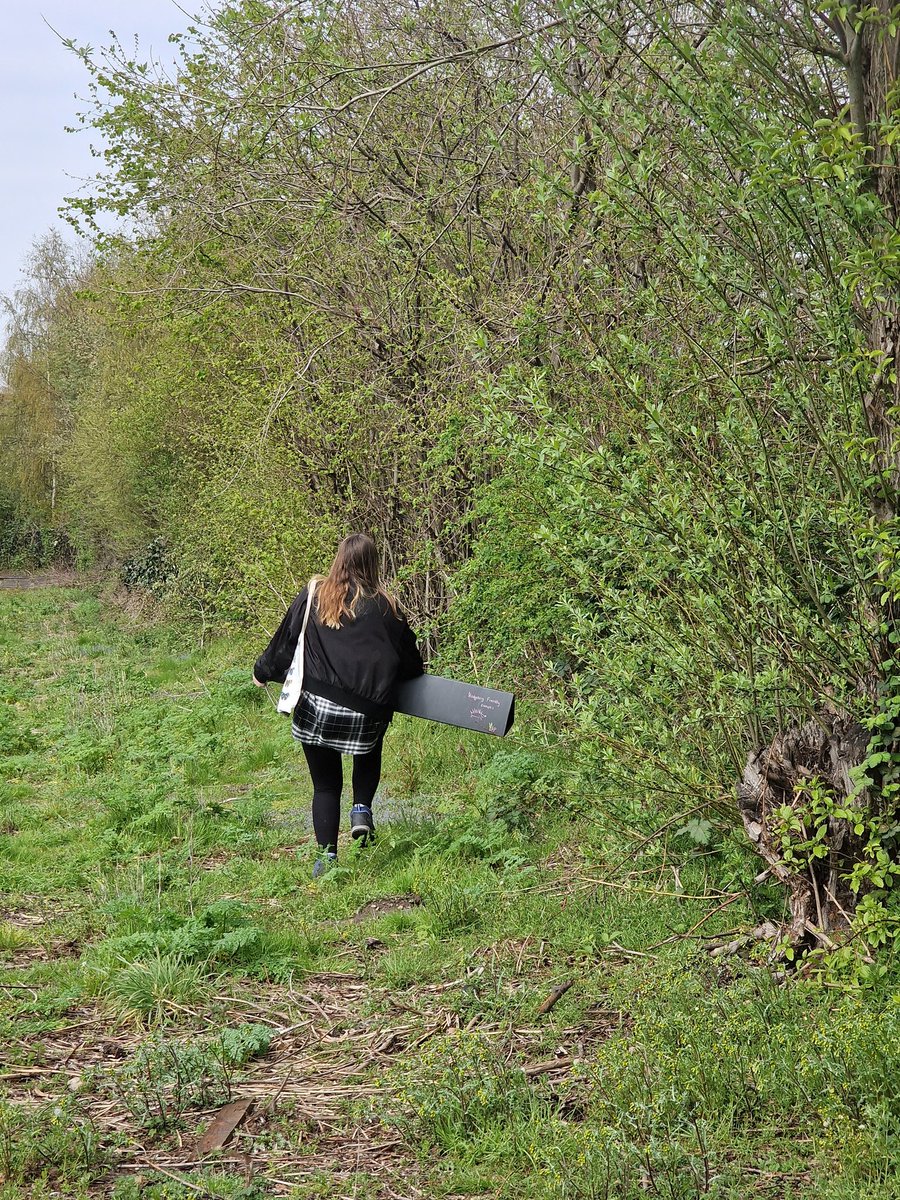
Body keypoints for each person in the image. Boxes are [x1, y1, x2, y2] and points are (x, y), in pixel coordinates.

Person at [252, 533, 424, 877]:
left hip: (316, 708)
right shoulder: (387, 607)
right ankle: (361, 809)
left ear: (338, 560)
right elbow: (411, 664)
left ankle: (327, 859)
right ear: (374, 564)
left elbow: (285, 643)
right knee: (370, 741)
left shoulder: (314, 595)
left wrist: (263, 671)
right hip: (365, 715)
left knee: (326, 785)